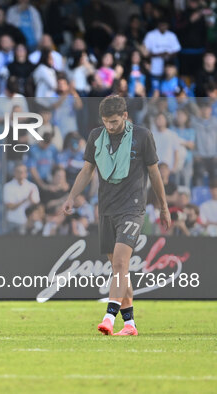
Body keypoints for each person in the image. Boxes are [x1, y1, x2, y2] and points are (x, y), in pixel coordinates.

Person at [61, 95, 170, 336]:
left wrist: (163, 207)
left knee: (120, 264)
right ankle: (130, 325)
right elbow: (87, 169)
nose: (110, 126)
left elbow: (154, 173)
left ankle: (109, 316)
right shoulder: (95, 137)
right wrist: (71, 197)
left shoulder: (142, 136)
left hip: (132, 208)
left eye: (114, 122)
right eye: (106, 122)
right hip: (106, 209)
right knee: (119, 270)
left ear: (125, 116)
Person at [3, 163, 40, 233]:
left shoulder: (32, 186)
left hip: (28, 224)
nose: (21, 174)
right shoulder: (7, 187)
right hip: (13, 222)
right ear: (14, 173)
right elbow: (10, 206)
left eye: (24, 172)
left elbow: (36, 205)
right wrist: (25, 199)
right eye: (19, 171)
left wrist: (31, 199)